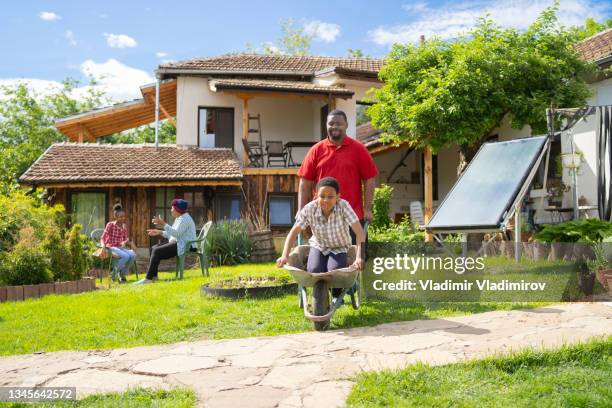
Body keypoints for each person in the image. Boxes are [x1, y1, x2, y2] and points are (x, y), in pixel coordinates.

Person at [297, 109, 378, 244]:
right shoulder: (316, 150)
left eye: (339, 124)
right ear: (326, 126)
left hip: (352, 216)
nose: (334, 126)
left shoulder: (359, 149)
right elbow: (305, 181)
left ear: (346, 125)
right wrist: (301, 210)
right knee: (322, 259)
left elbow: (369, 179)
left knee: (355, 260)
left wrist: (368, 209)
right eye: (331, 123)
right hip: (321, 217)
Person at [277, 177, 365, 299]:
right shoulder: (310, 209)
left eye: (330, 196)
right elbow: (293, 233)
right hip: (318, 246)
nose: (325, 200)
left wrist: (359, 257)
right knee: (314, 270)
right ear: (316, 195)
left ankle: (337, 291)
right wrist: (285, 256)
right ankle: (322, 292)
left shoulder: (344, 207)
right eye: (322, 196)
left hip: (339, 247)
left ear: (338, 197)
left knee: (335, 273)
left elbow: (360, 233)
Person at [135, 198, 196, 284]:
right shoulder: (180, 218)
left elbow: (177, 234)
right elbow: (172, 233)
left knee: (156, 251)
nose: (171, 210)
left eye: (172, 209)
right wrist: (159, 232)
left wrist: (163, 224)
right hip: (177, 242)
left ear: (177, 210)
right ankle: (154, 276)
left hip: (183, 245)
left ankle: (148, 279)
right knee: (153, 248)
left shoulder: (184, 219)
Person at [100, 204, 136, 283]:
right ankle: (113, 275)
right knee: (125, 256)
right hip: (111, 247)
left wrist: (125, 242)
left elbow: (125, 239)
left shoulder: (124, 226)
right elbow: (103, 237)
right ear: (115, 217)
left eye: (123, 217)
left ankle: (122, 275)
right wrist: (103, 246)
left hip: (120, 248)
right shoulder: (110, 225)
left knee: (133, 255)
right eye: (120, 217)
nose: (122, 219)